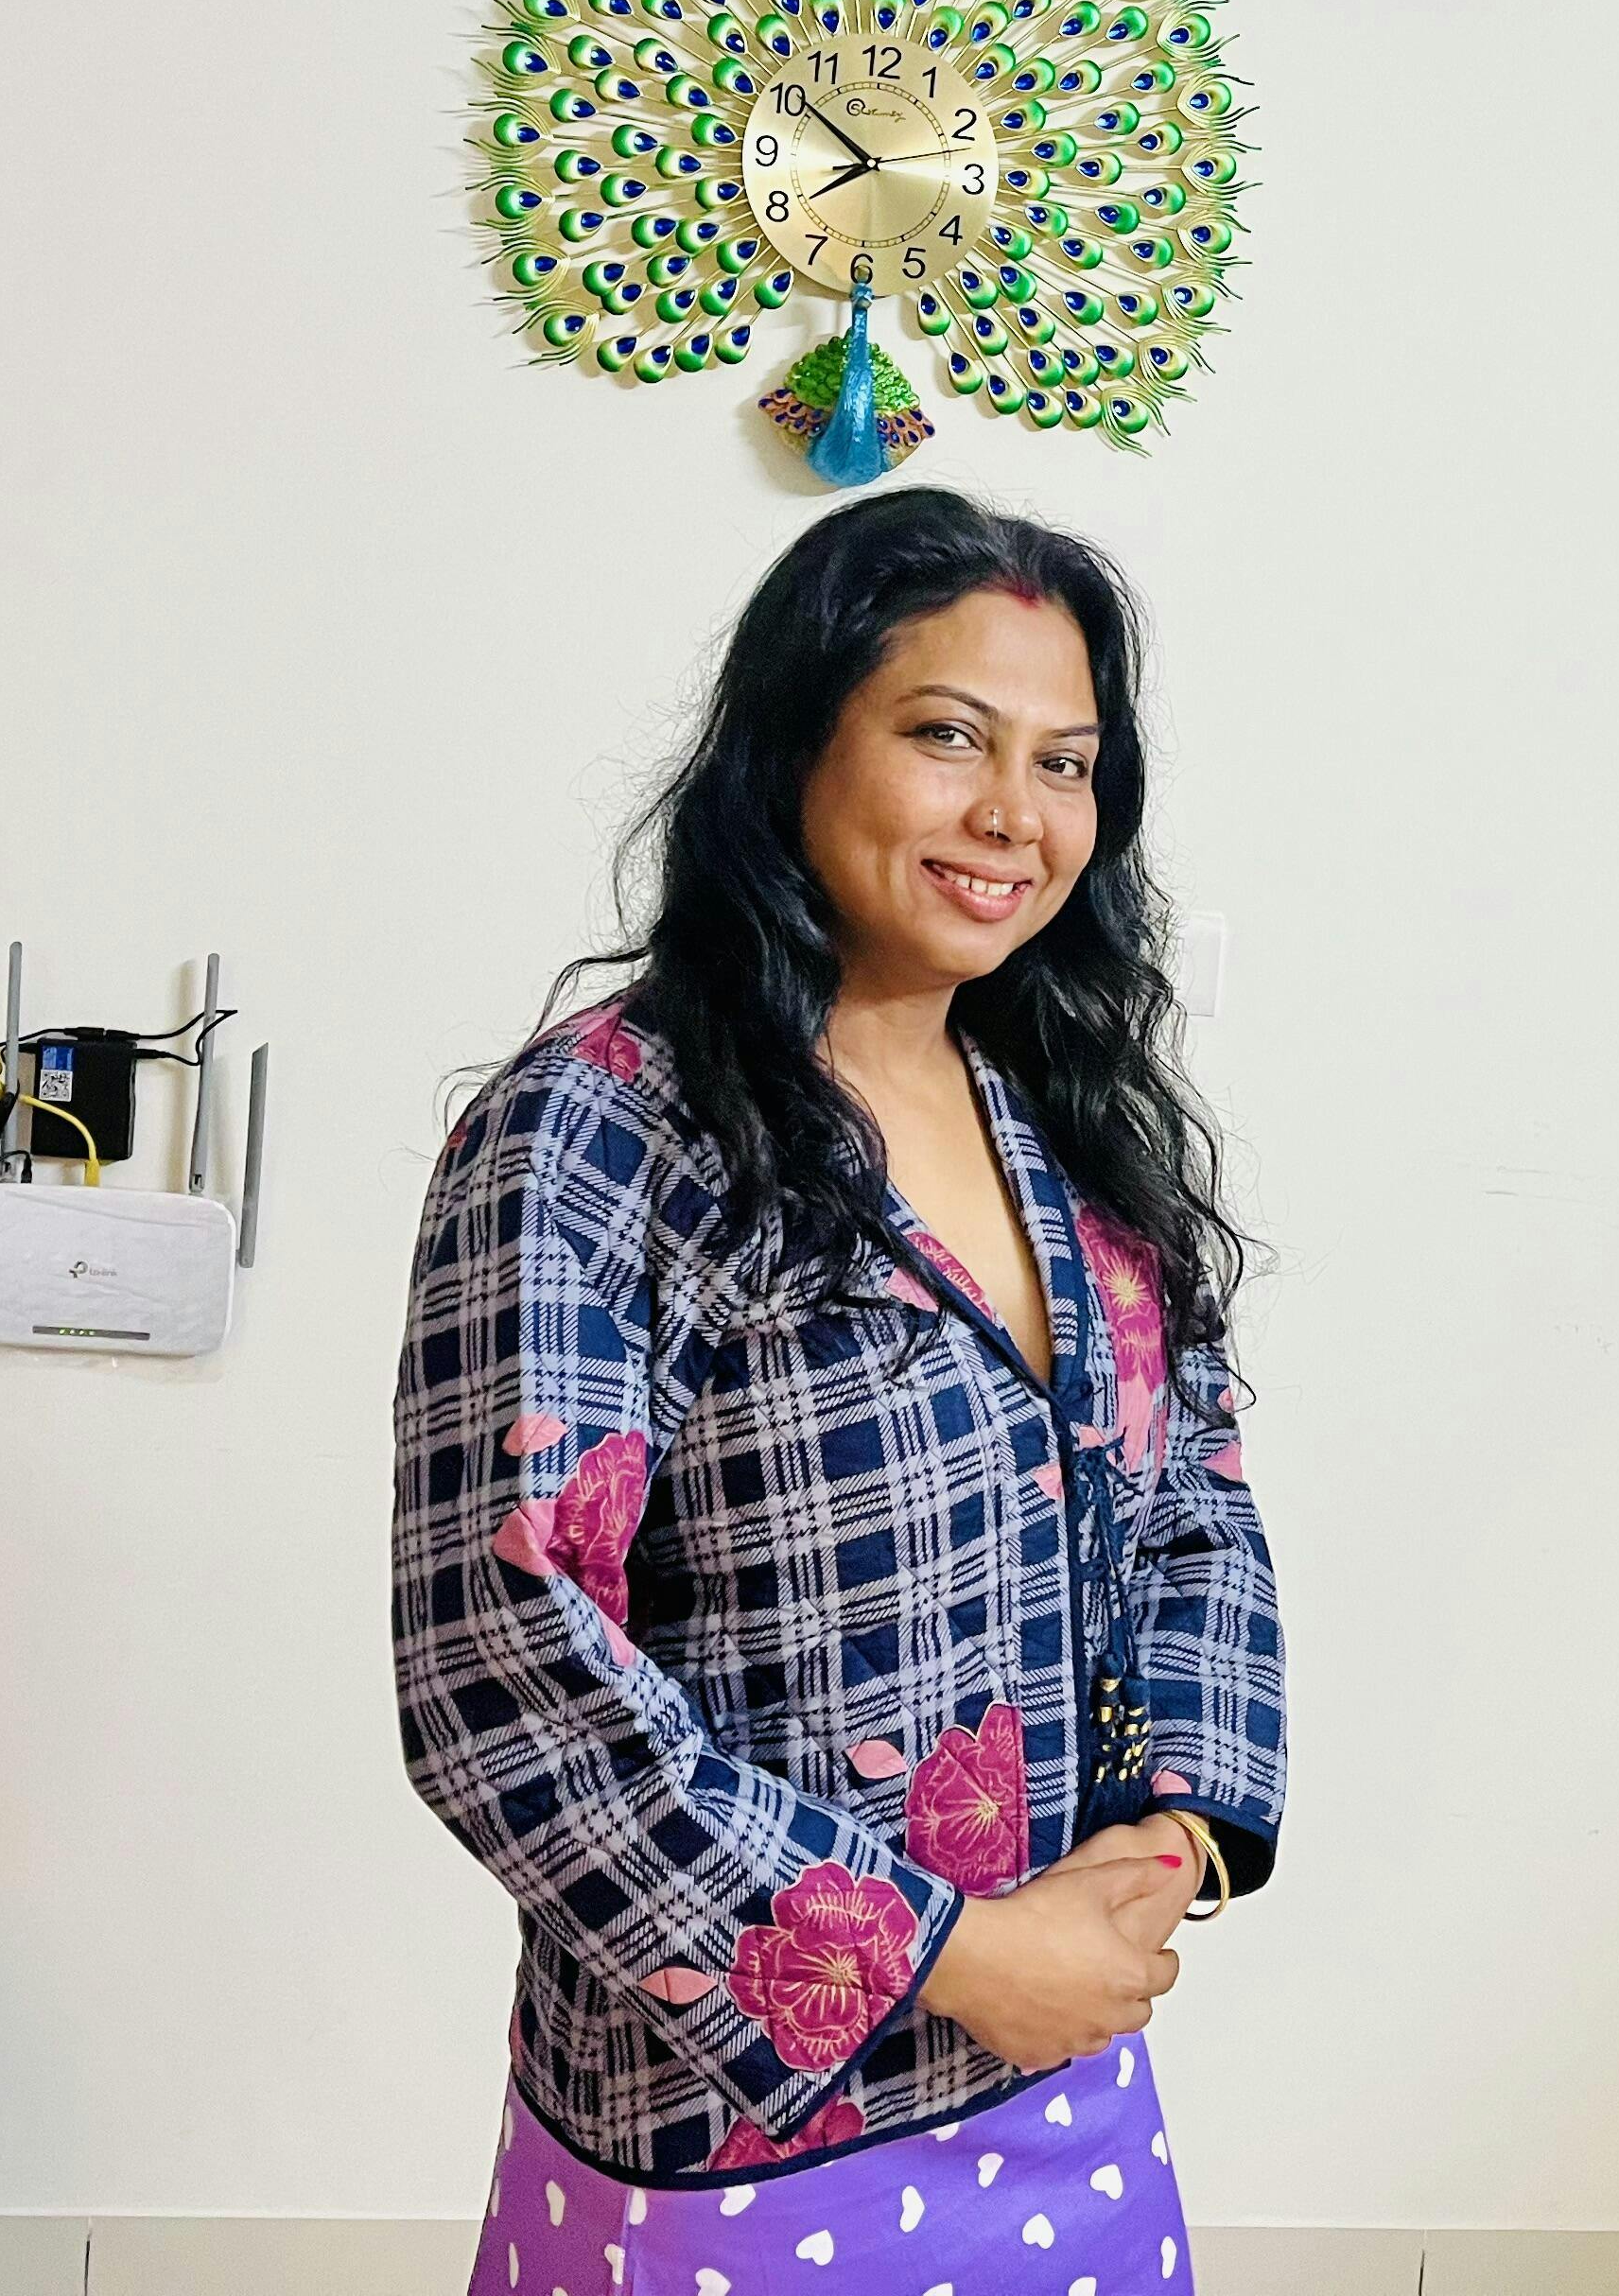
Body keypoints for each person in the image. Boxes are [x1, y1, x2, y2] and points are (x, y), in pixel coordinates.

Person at [393, 486, 1286, 2296]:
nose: (1013, 815)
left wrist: (1169, 1839)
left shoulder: (1069, 1133)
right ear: (793, 746)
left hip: (1067, 2074)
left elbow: (1194, 1497)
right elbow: (504, 1664)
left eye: (1064, 763)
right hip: (734, 2135)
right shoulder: (599, 1132)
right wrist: (950, 1956)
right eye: (949, 736)